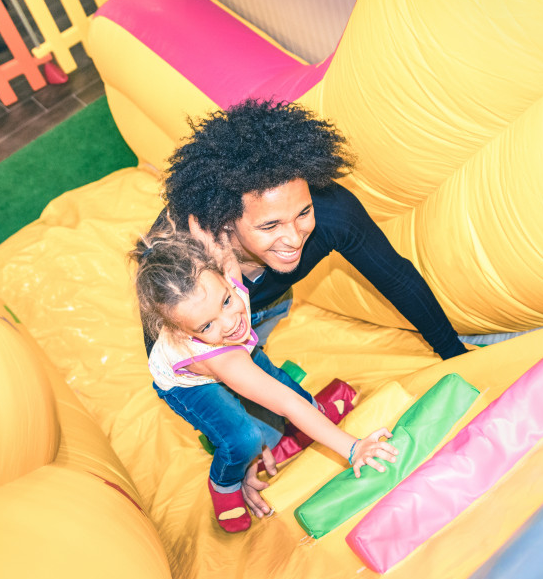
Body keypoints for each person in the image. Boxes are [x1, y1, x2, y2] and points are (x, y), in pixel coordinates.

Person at [130, 220, 397, 533]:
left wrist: (216, 243)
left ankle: (305, 426)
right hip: (190, 383)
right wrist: (352, 448)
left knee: (290, 392)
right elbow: (283, 402)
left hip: (235, 351)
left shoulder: (223, 288)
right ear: (180, 331)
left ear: (222, 279)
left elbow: (226, 259)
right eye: (206, 326)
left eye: (227, 301)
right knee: (244, 438)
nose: (230, 322)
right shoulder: (224, 357)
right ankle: (226, 483)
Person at [154, 98, 469, 362]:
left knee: (256, 362)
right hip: (201, 326)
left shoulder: (333, 213)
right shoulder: (179, 254)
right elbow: (162, 344)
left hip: (269, 304)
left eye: (303, 212)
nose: (293, 238)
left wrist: (454, 353)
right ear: (226, 222)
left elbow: (398, 279)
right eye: (270, 225)